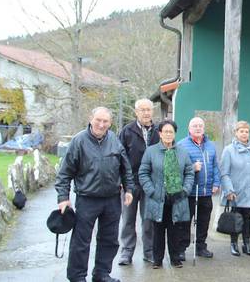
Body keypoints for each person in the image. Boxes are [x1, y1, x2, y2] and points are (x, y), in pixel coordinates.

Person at [55, 107, 134, 282]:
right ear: (91, 119)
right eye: (98, 120)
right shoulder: (79, 141)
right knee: (81, 242)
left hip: (112, 199)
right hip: (87, 199)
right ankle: (77, 277)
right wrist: (63, 198)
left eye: (105, 121)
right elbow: (64, 173)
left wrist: (129, 189)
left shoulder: (114, 140)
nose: (101, 124)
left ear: (110, 123)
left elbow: (125, 167)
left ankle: (101, 274)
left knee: (109, 240)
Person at [138, 119, 194, 269]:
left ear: (175, 133)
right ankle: (157, 260)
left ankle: (175, 258)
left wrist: (185, 190)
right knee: (158, 230)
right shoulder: (151, 151)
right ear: (160, 133)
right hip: (158, 198)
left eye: (171, 132)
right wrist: (151, 191)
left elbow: (189, 172)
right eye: (166, 131)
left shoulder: (182, 152)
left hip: (177, 197)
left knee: (175, 229)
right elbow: (143, 173)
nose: (169, 134)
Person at [118, 98, 159, 265]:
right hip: (130, 183)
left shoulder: (158, 131)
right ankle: (126, 252)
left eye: (148, 109)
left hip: (151, 183)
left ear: (152, 111)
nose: (146, 113)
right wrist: (121, 181)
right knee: (128, 219)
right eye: (142, 110)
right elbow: (119, 157)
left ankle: (149, 251)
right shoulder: (127, 131)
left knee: (148, 220)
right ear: (136, 112)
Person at [178, 116, 220, 259]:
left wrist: (216, 183)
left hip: (206, 191)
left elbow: (215, 166)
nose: (198, 128)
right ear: (189, 129)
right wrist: (192, 167)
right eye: (195, 126)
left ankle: (201, 247)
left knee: (204, 221)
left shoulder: (211, 145)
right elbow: (177, 168)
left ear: (203, 128)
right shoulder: (181, 145)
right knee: (185, 221)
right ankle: (181, 248)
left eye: (200, 126)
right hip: (190, 191)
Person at [220, 120, 250, 257]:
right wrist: (229, 190)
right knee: (235, 218)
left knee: (247, 217)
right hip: (235, 192)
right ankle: (233, 244)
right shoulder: (229, 150)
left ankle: (246, 244)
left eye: (246, 131)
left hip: (249, 190)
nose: (244, 134)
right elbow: (224, 172)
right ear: (236, 133)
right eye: (241, 131)